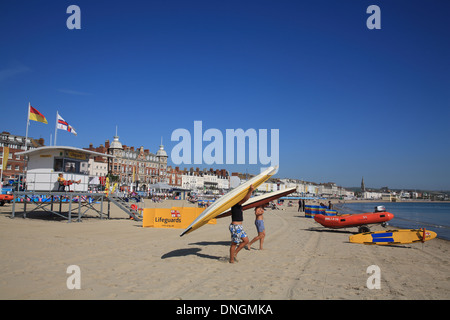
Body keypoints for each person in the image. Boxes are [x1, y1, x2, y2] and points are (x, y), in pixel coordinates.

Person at [229, 184, 254, 263]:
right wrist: (250, 191)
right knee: (234, 243)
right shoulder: (236, 203)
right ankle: (231, 259)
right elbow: (245, 199)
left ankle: (235, 253)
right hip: (235, 226)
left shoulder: (238, 204)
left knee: (246, 241)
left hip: (239, 227)